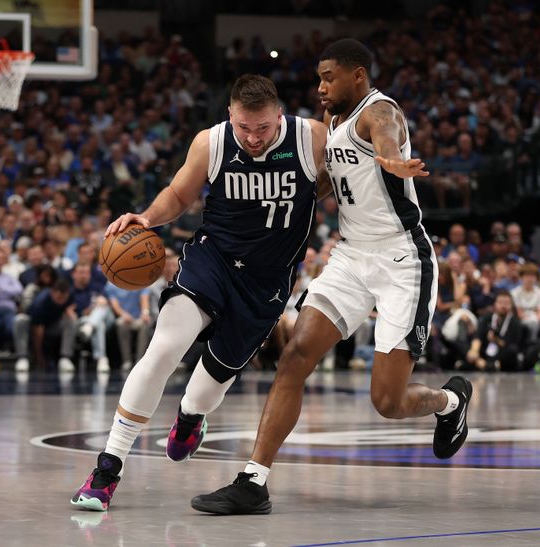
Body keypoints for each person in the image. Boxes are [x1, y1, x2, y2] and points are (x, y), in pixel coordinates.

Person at [192, 39, 470, 516]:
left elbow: (384, 135)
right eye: (319, 78)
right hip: (351, 257)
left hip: (401, 260)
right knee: (296, 355)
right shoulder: (333, 123)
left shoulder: (378, 112)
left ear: (357, 76)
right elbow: (323, 182)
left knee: (386, 400)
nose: (320, 87)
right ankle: (253, 481)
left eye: (328, 77)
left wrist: (391, 159)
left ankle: (450, 401)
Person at [70, 74, 327, 511]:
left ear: (278, 116)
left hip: (267, 281)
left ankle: (191, 417)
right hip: (212, 260)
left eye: (262, 128)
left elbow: (342, 180)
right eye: (244, 127)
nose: (252, 137)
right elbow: (177, 194)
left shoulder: (311, 138)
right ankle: (107, 470)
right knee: (164, 349)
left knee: (209, 386)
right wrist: (147, 218)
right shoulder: (212, 142)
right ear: (231, 115)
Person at [464, 290, 522, 371]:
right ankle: (483, 364)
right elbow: (478, 336)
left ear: (511, 305)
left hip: (501, 354)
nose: (503, 306)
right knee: (464, 344)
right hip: (485, 351)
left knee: (512, 350)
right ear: (495, 304)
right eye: (501, 302)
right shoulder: (486, 318)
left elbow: (513, 344)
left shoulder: (515, 322)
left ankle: (483, 365)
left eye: (506, 303)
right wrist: (474, 351)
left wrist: (496, 340)